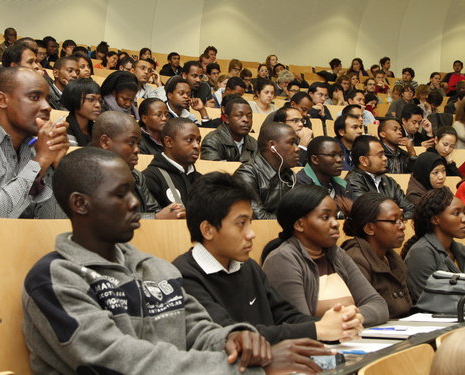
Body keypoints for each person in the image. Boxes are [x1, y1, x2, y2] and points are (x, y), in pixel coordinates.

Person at [22, 146, 300, 375]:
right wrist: (254, 369)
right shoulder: (55, 279)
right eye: (120, 194)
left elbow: (198, 330)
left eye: (133, 191)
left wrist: (234, 339)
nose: (135, 203)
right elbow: (116, 363)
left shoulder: (154, 267)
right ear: (80, 204)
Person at [173, 172, 365, 346]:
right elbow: (232, 336)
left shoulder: (247, 267)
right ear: (208, 230)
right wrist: (319, 329)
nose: (251, 234)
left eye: (250, 222)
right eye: (241, 224)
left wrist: (338, 323)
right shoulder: (183, 276)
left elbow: (286, 315)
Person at [261, 185, 389, 326]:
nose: (335, 223)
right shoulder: (282, 260)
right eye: (325, 217)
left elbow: (378, 305)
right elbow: (299, 324)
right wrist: (343, 322)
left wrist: (351, 319)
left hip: (351, 338)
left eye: (335, 216)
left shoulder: (337, 254)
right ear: (299, 224)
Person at [0, 67, 69, 218]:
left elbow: (49, 222)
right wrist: (40, 161)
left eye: (48, 99)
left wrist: (57, 168)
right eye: (34, 97)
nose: (47, 107)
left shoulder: (36, 146)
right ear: (2, 100)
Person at [91, 112, 184, 219]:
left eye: (138, 144)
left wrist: (172, 212)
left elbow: (154, 210)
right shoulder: (81, 173)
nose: (137, 150)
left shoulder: (136, 176)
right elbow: (101, 219)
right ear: (105, 142)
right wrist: (156, 217)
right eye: (131, 142)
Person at [342, 193, 412, 318]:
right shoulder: (355, 259)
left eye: (401, 219)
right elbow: (359, 313)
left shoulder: (392, 257)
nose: (402, 226)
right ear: (369, 228)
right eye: (394, 221)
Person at [402, 187, 465, 303]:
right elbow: (427, 301)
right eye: (456, 213)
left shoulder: (460, 250)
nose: (464, 218)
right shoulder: (420, 253)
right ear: (435, 219)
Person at [234, 122, 298, 219]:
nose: (297, 148)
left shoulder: (290, 175)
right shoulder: (247, 174)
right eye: (291, 143)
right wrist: (292, 221)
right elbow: (258, 217)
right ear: (272, 146)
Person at [345, 135, 415, 218]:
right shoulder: (352, 182)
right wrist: (395, 214)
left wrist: (395, 217)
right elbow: (367, 214)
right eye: (380, 155)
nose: (385, 158)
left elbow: (411, 210)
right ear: (364, 160)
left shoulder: (389, 181)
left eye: (384, 154)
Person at [143, 118, 202, 208]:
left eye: (198, 141)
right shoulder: (149, 178)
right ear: (169, 142)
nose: (197, 146)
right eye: (190, 140)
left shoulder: (202, 180)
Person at [296, 136, 353, 203]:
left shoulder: (344, 186)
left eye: (341, 155)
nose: (339, 160)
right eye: (332, 155)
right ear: (315, 159)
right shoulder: (299, 185)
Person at [201, 98, 257, 162]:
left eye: (249, 116)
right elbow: (213, 169)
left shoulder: (253, 143)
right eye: (239, 115)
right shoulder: (212, 141)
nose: (246, 120)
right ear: (226, 119)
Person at [60, 78, 101, 146]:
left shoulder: (97, 130)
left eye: (100, 100)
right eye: (91, 99)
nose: (98, 105)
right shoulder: (65, 133)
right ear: (74, 99)